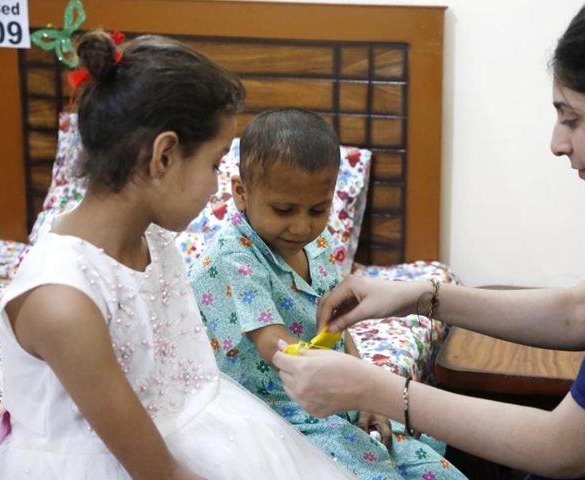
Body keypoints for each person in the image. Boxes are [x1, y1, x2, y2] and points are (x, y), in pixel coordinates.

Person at [272, 0, 585, 479]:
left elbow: (565, 446)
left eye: (572, 117)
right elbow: (579, 311)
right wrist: (420, 295)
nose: (556, 144)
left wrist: (376, 388)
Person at [0, 32, 354, 480]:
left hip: (203, 424)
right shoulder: (62, 302)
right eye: (215, 163)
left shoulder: (154, 240)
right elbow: (156, 471)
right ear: (164, 156)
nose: (219, 183)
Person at [190, 108, 467, 480]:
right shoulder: (233, 257)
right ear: (241, 192)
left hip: (334, 390)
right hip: (284, 408)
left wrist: (366, 394)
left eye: (318, 209)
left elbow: (338, 322)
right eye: (284, 209)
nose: (302, 225)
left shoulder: (318, 241)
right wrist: (344, 384)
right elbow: (271, 341)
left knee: (435, 468)